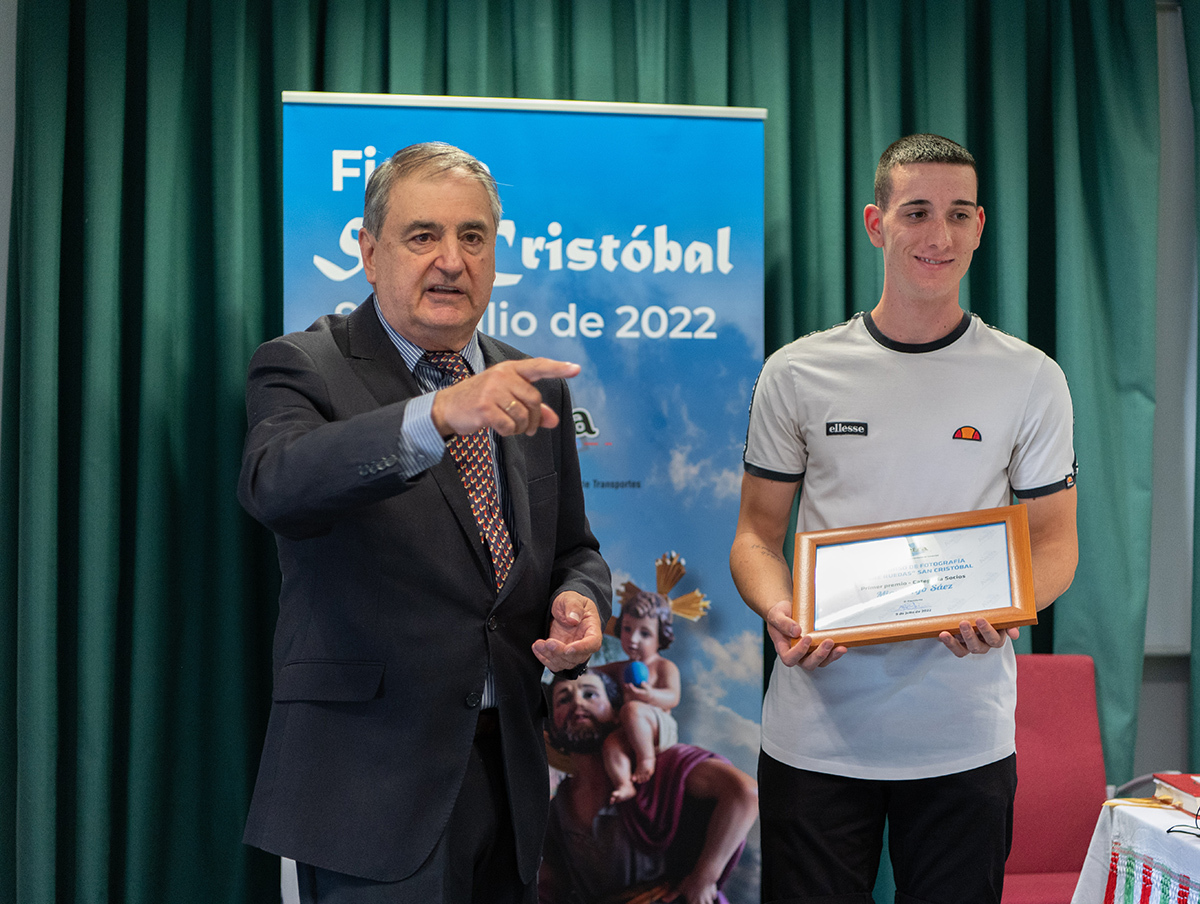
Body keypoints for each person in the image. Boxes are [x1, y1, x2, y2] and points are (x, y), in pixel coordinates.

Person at [238, 141, 612, 904]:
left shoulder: (526, 382)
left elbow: (574, 547)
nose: (451, 260)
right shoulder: (302, 365)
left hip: (508, 772)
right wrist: (436, 414)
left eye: (473, 237)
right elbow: (278, 485)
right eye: (423, 236)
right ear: (370, 252)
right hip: (371, 787)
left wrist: (580, 599)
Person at [729, 134, 1079, 903]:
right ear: (876, 223)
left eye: (959, 214)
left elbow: (1056, 542)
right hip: (815, 736)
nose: (938, 235)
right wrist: (781, 609)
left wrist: (1011, 605)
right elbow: (756, 536)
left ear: (980, 227)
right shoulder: (797, 371)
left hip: (963, 736)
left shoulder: (1030, 377)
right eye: (916, 211)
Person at [539, 671, 758, 904]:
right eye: (564, 699)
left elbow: (744, 793)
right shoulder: (558, 810)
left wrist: (704, 877)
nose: (578, 703)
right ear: (552, 728)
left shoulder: (660, 767)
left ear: (616, 713)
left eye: (590, 694)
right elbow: (550, 884)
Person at [594, 589, 683, 803]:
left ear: (661, 637)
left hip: (659, 729)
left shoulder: (664, 666)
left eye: (644, 633)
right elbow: (594, 674)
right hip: (631, 731)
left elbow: (673, 697)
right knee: (611, 743)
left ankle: (646, 759)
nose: (633, 639)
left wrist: (650, 695)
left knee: (632, 709)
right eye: (627, 629)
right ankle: (624, 783)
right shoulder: (621, 668)